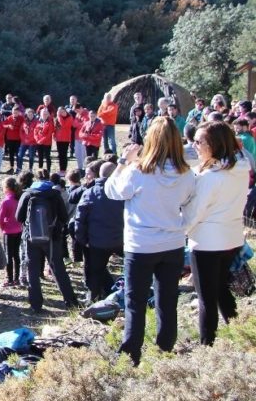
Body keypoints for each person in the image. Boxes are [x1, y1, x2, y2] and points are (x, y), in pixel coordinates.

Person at [104, 117, 196, 365]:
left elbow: (112, 191)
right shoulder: (186, 174)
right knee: (167, 299)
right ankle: (164, 350)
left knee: (135, 302)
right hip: (172, 243)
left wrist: (123, 162)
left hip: (141, 244)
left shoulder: (138, 171)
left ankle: (131, 354)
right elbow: (190, 205)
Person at [182, 121, 249, 346]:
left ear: (214, 145)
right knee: (221, 290)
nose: (195, 145)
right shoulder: (240, 167)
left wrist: (179, 230)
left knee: (206, 300)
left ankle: (207, 346)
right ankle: (240, 334)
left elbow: (194, 213)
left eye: (199, 141)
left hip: (206, 243)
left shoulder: (209, 178)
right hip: (231, 238)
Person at [16, 169, 80, 313]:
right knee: (58, 268)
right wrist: (56, 227)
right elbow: (64, 216)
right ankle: (71, 302)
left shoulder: (27, 194)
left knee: (32, 270)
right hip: (52, 237)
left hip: (31, 237)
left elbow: (18, 217)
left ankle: (35, 305)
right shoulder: (54, 194)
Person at [74, 161, 124, 304]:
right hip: (120, 239)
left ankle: (93, 300)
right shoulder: (123, 192)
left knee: (95, 271)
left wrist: (83, 240)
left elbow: (80, 219)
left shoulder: (89, 193)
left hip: (97, 242)